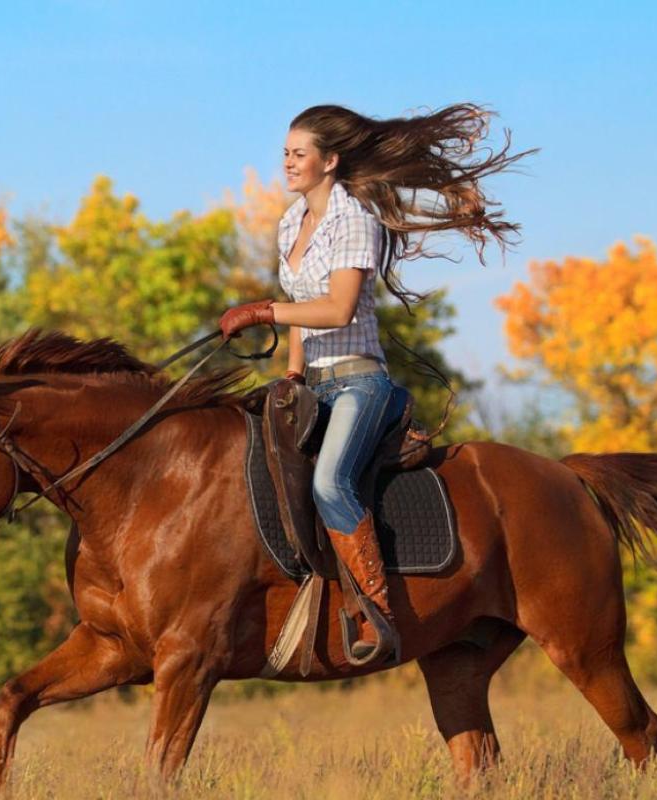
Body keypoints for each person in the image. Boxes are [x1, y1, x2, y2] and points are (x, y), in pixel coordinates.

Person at [219, 103, 534, 663]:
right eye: (285, 153)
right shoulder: (291, 223)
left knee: (331, 484)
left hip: (360, 383)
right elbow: (299, 308)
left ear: (330, 160)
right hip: (313, 385)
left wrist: (264, 312)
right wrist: (290, 374)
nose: (288, 163)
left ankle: (375, 614)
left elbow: (336, 309)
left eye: (299, 154)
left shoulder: (355, 219)